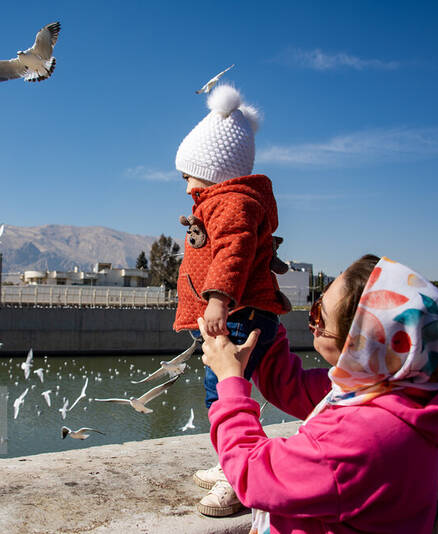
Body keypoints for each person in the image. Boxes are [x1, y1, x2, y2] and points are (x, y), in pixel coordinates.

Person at [198, 255, 438, 533]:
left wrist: (230, 380)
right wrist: (262, 319)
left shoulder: (364, 438)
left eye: (318, 314)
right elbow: (289, 385)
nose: (314, 323)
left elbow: (252, 474)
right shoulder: (399, 394)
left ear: (360, 341)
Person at [173, 84, 290, 516]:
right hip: (239, 312)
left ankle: (239, 477)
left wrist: (218, 300)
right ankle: (230, 459)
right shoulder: (224, 202)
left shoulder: (233, 204)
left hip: (238, 315)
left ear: (215, 169)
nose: (186, 187)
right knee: (220, 392)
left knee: (224, 393)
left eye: (189, 175)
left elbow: (234, 253)